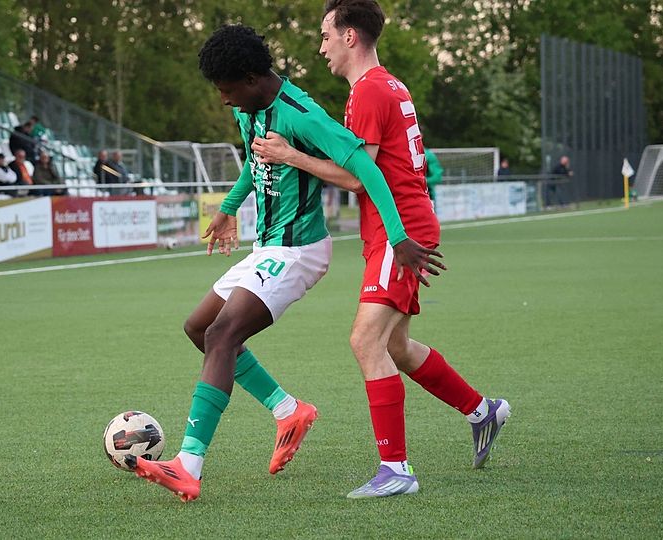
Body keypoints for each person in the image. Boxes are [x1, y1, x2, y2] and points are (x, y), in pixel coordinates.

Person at [127, 24, 441, 503]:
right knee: (199, 328)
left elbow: (366, 170)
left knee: (222, 335)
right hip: (267, 247)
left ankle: (188, 465)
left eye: (228, 90)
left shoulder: (301, 114)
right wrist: (229, 207)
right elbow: (256, 165)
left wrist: (398, 239)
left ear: (252, 79)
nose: (225, 100)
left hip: (299, 251)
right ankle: (288, 410)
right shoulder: (249, 108)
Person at [253, 0, 510, 498]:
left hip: (401, 233)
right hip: (398, 229)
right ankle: (483, 411)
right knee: (395, 346)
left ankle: (396, 470)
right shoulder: (388, 84)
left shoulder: (369, 90)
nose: (321, 47)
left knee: (365, 341)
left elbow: (356, 177)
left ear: (349, 36)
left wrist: (290, 155)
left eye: (326, 35)